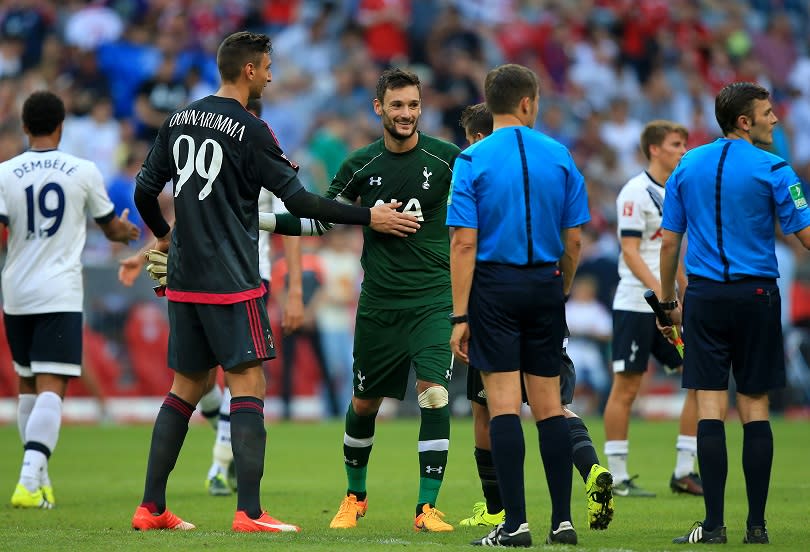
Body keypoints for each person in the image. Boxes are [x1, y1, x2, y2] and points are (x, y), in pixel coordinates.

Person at [130, 31, 419, 533]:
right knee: (249, 383)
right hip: (231, 278)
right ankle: (250, 513)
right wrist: (368, 217)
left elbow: (143, 190)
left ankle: (150, 507)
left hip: (184, 277)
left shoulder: (178, 119)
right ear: (248, 70)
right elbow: (302, 203)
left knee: (186, 387)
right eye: (267, 67)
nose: (270, 75)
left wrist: (163, 238)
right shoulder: (250, 129)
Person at [266, 68, 461, 531]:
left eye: (413, 105)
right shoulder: (359, 165)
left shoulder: (450, 159)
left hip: (434, 300)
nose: (406, 114)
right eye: (397, 105)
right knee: (364, 405)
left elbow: (482, 209)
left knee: (434, 395)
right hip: (379, 304)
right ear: (379, 108)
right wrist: (261, 222)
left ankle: (426, 507)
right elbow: (318, 221)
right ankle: (355, 497)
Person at [660, 82, 810, 545]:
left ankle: (714, 526)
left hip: (704, 298)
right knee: (755, 407)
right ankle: (757, 527)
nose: (775, 119)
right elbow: (806, 235)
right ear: (745, 121)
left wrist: (668, 303)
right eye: (768, 113)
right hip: (758, 296)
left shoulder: (686, 165)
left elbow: (669, 242)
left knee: (710, 406)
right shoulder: (776, 169)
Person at [447, 64, 590, 547]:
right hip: (545, 283)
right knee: (549, 407)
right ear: (528, 102)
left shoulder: (472, 160)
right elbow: (574, 240)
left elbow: (464, 243)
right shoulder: (560, 155)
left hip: (494, 288)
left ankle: (515, 525)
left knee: (504, 406)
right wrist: (561, 288)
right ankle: (564, 523)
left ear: (491, 104)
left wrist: (461, 315)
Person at [2, 90, 139, 509]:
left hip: (16, 289)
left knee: (28, 383)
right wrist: (124, 231)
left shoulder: (5, 172)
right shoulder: (82, 171)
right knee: (52, 386)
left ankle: (39, 480)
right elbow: (109, 229)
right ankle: (29, 477)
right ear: (62, 126)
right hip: (59, 290)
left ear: (24, 127)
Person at [603, 120, 704, 498]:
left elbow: (673, 250)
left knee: (697, 377)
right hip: (635, 304)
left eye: (684, 143)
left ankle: (683, 470)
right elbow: (630, 251)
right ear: (655, 150)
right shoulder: (635, 192)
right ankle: (616, 476)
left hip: (671, 305)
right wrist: (661, 293)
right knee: (626, 388)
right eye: (676, 144)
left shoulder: (677, 192)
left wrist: (685, 292)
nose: (683, 150)